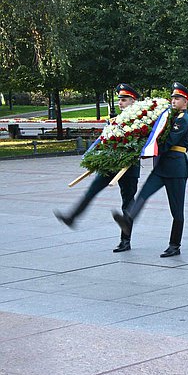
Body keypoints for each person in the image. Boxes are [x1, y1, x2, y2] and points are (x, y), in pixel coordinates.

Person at [54, 84, 142, 253]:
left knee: (127, 202)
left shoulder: (142, 120)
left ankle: (125, 240)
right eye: (119, 101)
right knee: (92, 190)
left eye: (124, 100)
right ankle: (72, 217)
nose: (120, 103)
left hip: (128, 166)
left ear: (133, 101)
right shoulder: (114, 120)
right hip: (109, 164)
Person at [113, 83, 188, 257]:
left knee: (177, 210)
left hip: (176, 169)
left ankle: (175, 245)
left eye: (177, 98)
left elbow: (167, 143)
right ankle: (126, 226)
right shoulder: (171, 117)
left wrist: (143, 148)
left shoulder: (183, 121)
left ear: (185, 102)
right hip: (162, 166)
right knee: (143, 194)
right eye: (172, 97)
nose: (173, 100)